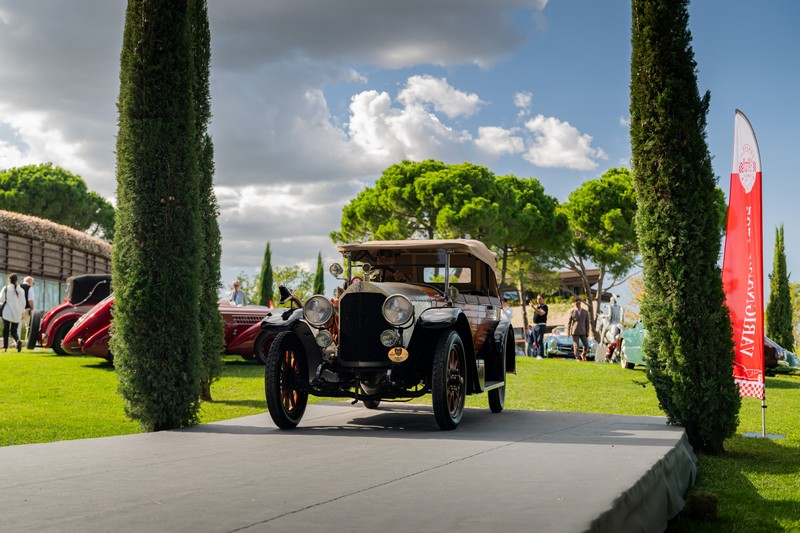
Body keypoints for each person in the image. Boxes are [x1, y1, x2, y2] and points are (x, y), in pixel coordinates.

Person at [1, 274, 26, 352]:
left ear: (9, 280)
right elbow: (23, 303)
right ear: (17, 280)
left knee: (6, 330)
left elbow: (1, 299)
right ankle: (18, 340)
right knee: (14, 330)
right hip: (17, 313)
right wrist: (22, 313)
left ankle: (5, 348)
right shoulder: (21, 290)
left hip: (7, 312)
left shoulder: (6, 288)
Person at [567, 296, 590, 361]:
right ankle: (577, 357)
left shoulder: (585, 312)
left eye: (579, 303)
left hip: (583, 331)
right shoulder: (572, 312)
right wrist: (568, 332)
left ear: (580, 303)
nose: (578, 305)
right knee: (576, 346)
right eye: (576, 303)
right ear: (574, 303)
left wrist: (587, 332)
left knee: (586, 344)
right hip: (575, 331)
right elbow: (569, 323)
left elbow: (587, 323)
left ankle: (583, 354)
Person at [530, 294, 548, 359]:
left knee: (539, 340)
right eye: (537, 299)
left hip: (541, 325)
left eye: (540, 298)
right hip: (535, 325)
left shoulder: (544, 306)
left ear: (543, 299)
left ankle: (541, 355)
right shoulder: (537, 307)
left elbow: (541, 313)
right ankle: (538, 354)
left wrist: (533, 307)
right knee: (535, 340)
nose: (538, 300)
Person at [20, 276, 35, 343]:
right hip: (26, 309)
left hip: (17, 309)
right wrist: (32, 308)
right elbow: (30, 300)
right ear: (30, 282)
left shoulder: (18, 287)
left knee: (17, 325)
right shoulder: (30, 288)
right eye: (33, 283)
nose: (33, 284)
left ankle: (17, 340)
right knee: (28, 326)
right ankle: (27, 341)